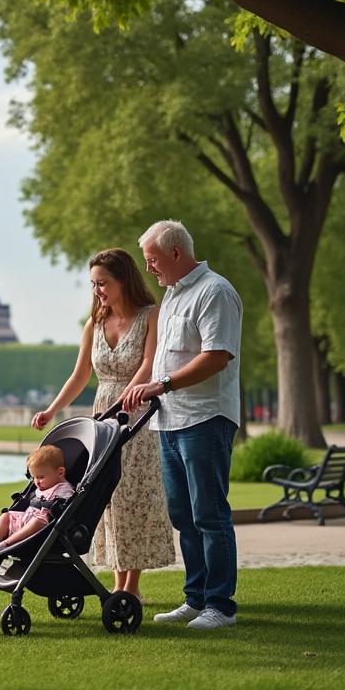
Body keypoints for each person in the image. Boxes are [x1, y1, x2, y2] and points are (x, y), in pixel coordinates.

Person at [32, 248, 176, 601]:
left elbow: (148, 362)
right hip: (103, 418)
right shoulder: (94, 323)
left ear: (123, 279)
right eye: (94, 284)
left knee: (134, 498)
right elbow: (81, 374)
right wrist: (52, 410)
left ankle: (132, 586)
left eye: (103, 282)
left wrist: (126, 398)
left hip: (136, 413)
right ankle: (117, 584)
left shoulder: (150, 315)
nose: (97, 290)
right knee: (106, 498)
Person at [125, 220, 244, 631]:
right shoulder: (173, 295)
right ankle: (195, 598)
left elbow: (216, 356)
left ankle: (220, 606)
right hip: (171, 422)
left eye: (153, 260)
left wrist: (163, 384)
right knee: (183, 514)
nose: (150, 269)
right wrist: (147, 385)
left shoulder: (215, 291)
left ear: (176, 253)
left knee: (210, 514)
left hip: (205, 417)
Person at [0, 444, 74, 548]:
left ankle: (8, 542)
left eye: (40, 477)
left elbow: (65, 507)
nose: (36, 482)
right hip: (25, 521)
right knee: (8, 515)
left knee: (40, 520)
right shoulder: (42, 486)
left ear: (60, 473)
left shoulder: (63, 489)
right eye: (34, 477)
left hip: (42, 530)